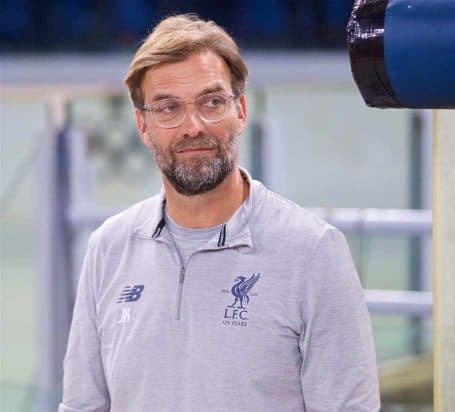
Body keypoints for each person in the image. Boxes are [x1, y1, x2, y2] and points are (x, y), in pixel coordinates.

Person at [59, 13, 380, 412]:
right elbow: (81, 405)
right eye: (167, 108)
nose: (192, 126)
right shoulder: (109, 248)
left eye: (211, 102)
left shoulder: (313, 252)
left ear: (240, 111)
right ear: (142, 126)